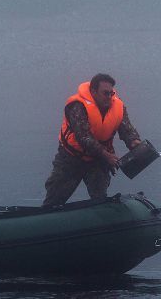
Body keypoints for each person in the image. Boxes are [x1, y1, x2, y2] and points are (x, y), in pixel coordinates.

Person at [43, 73, 143, 207]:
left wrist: (135, 143)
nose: (109, 97)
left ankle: (101, 221)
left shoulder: (118, 107)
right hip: (71, 158)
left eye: (111, 93)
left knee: (100, 198)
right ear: (93, 91)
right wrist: (107, 156)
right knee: (54, 199)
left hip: (97, 161)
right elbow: (84, 137)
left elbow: (127, 129)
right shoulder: (77, 105)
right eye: (105, 93)